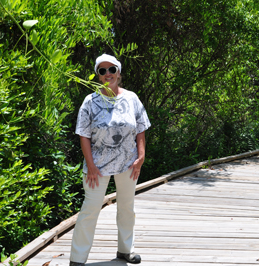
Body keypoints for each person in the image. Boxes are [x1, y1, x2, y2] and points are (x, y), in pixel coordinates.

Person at [70, 54, 151, 266]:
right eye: (102, 71)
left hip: (128, 162)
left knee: (127, 207)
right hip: (97, 165)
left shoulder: (132, 98)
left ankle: (126, 250)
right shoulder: (90, 101)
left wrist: (141, 157)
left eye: (111, 70)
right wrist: (90, 166)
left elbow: (141, 128)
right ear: (98, 75)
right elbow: (83, 134)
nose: (108, 75)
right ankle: (77, 259)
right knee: (90, 209)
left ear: (119, 72)